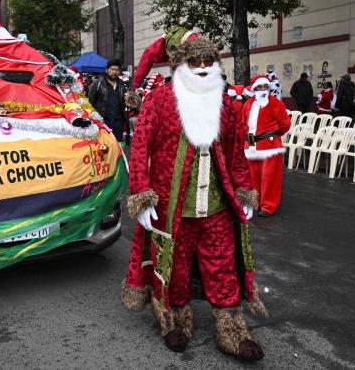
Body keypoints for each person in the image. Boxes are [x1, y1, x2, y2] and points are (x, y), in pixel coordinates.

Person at [121, 36, 267, 361]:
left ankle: (232, 332)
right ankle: (175, 323)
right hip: (174, 209)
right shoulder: (159, 101)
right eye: (194, 62)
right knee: (175, 269)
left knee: (223, 268)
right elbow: (141, 146)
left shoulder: (225, 104)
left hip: (215, 208)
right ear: (181, 65)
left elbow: (236, 152)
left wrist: (244, 190)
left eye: (207, 62)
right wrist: (142, 195)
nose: (202, 68)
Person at [242, 77, 291, 217]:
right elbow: (244, 124)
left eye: (265, 87)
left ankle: (268, 206)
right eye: (260, 87)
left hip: (270, 146)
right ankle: (256, 202)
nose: (263, 90)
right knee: (253, 177)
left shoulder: (276, 103)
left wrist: (273, 136)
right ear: (254, 89)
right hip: (252, 145)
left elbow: (285, 124)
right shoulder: (248, 104)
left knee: (270, 177)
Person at [87, 59, 129, 142]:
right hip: (103, 122)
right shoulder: (97, 83)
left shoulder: (122, 85)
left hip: (118, 122)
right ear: (107, 70)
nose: (114, 72)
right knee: (103, 147)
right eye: (112, 69)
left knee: (117, 146)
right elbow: (90, 102)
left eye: (116, 70)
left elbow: (126, 102)